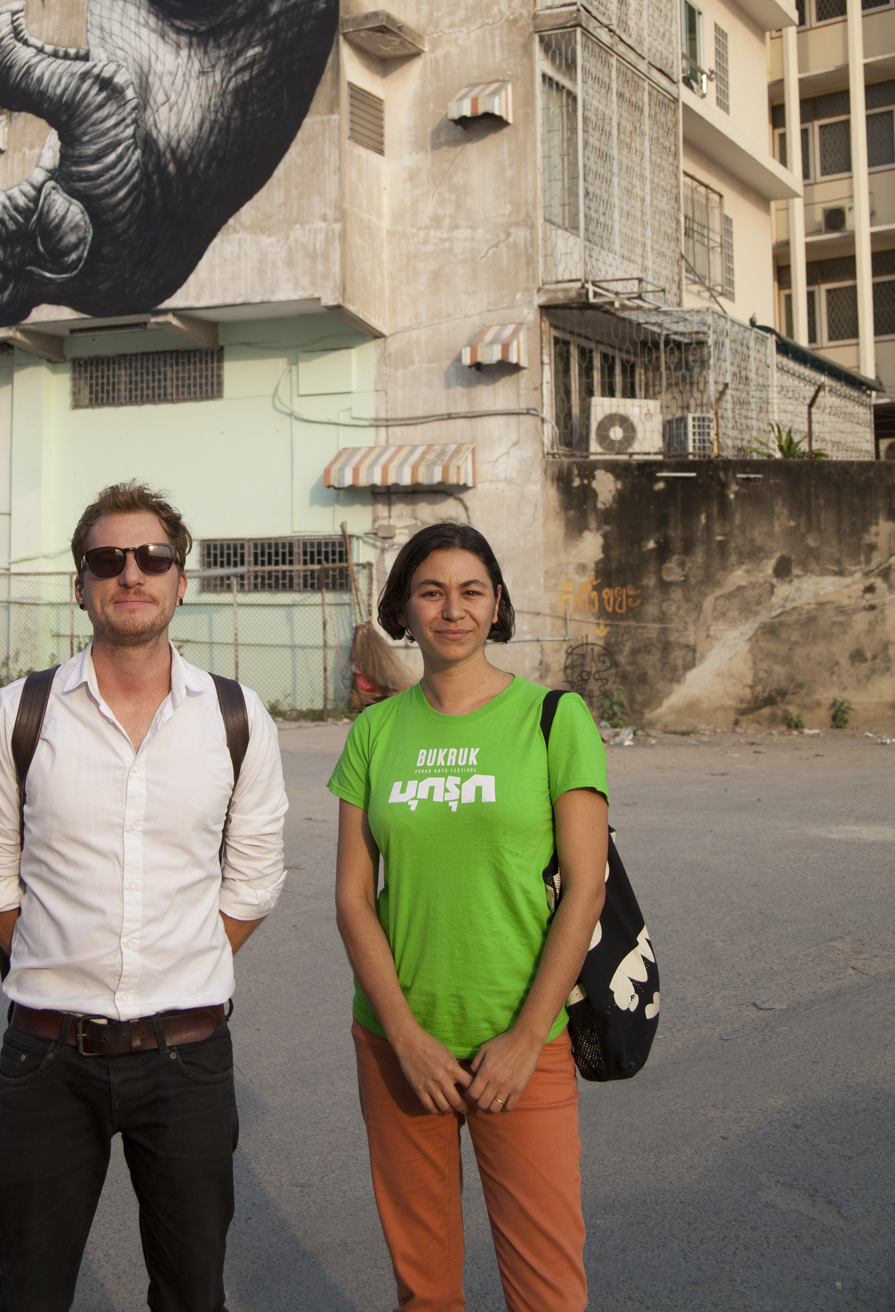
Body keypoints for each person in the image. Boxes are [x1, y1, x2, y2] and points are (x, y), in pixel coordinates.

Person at [0, 480, 288, 1312]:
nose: (131, 574)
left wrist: (177, 958)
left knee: (192, 1291)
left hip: (188, 1057)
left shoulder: (235, 717)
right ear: (80, 585)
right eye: (108, 559)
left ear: (183, 581)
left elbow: (254, 879)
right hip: (45, 1056)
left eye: (153, 558)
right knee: (30, 1290)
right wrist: (59, 956)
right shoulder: (17, 714)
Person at [328, 522, 609, 1312]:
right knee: (425, 1290)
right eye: (430, 591)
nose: (452, 608)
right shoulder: (374, 733)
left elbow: (585, 888)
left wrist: (526, 1039)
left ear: (496, 607)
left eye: (471, 590)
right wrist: (406, 1039)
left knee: (549, 1290)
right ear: (405, 610)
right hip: (398, 1045)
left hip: (522, 1043)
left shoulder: (556, 719)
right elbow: (353, 898)